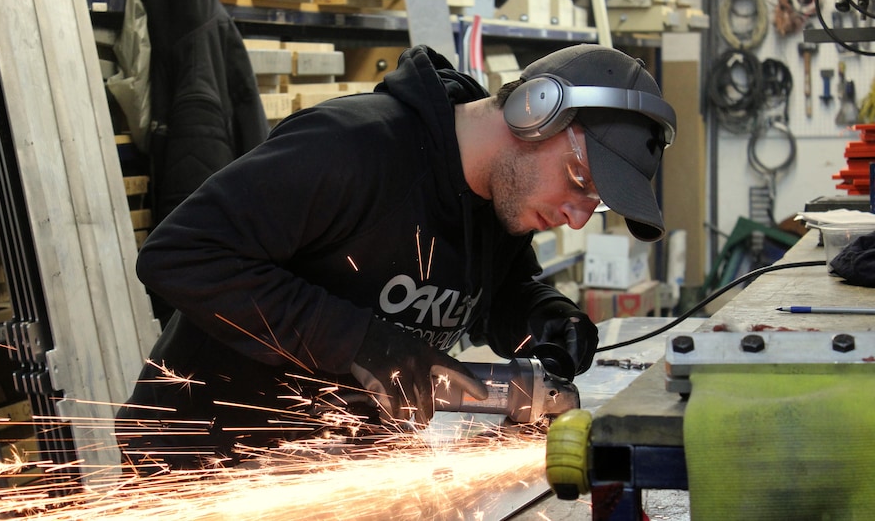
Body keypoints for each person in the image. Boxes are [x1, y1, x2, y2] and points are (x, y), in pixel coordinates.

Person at [115, 43, 677, 471]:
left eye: (595, 204)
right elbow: (179, 254)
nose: (579, 216)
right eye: (580, 181)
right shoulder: (354, 149)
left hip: (330, 468)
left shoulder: (500, 204)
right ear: (535, 111)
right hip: (202, 465)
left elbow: (490, 290)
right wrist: (365, 344)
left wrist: (544, 318)